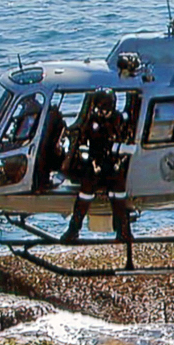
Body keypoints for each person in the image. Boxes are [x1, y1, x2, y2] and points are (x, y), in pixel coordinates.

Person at [60, 89, 133, 243]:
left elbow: (127, 142)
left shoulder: (119, 120)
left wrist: (119, 161)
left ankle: (124, 231)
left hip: (113, 165)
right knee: (86, 190)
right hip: (95, 164)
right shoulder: (92, 122)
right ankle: (73, 230)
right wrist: (92, 162)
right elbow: (83, 144)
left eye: (107, 106)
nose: (104, 111)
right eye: (102, 107)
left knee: (119, 192)